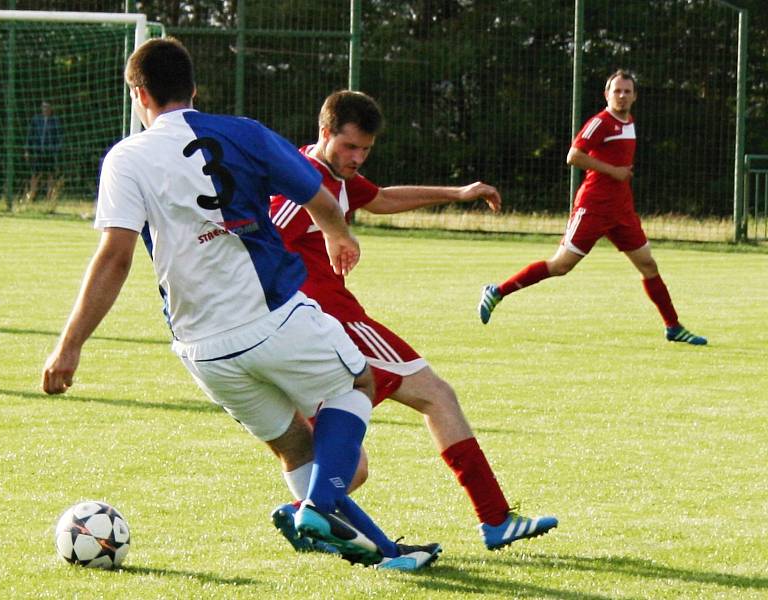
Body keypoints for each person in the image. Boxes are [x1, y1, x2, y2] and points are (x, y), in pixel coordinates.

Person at [40, 38, 440, 571]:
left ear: (138, 93)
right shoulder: (244, 132)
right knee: (358, 384)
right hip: (270, 313)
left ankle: (384, 555)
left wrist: (69, 348)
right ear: (194, 90)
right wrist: (338, 234)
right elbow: (316, 192)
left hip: (201, 349)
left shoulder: (125, 158)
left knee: (298, 448)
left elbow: (114, 257)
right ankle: (317, 509)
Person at [269, 89, 558, 553]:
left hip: (309, 327)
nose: (358, 157)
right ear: (324, 133)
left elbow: (380, 198)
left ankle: (307, 517)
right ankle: (495, 519)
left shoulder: (334, 175)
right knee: (437, 395)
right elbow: (264, 236)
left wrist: (458, 193)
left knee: (350, 466)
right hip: (330, 322)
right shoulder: (303, 178)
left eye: (365, 148)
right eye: (349, 146)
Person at [478, 70, 707, 346]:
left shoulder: (630, 122)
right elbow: (573, 156)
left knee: (648, 264)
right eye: (617, 91)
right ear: (606, 94)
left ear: (635, 96)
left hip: (621, 210)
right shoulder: (600, 122)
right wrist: (613, 171)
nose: (622, 96)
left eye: (627, 91)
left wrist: (619, 178)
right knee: (561, 265)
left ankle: (673, 327)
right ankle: (497, 291)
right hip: (594, 207)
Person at [24, 101, 63, 202]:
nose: (45, 109)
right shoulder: (36, 120)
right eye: (43, 107)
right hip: (38, 151)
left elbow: (59, 137)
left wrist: (56, 149)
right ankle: (31, 196)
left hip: (49, 152)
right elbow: (30, 135)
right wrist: (27, 150)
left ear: (51, 108)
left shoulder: (55, 121)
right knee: (35, 174)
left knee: (50, 174)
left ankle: (49, 197)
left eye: (47, 107)